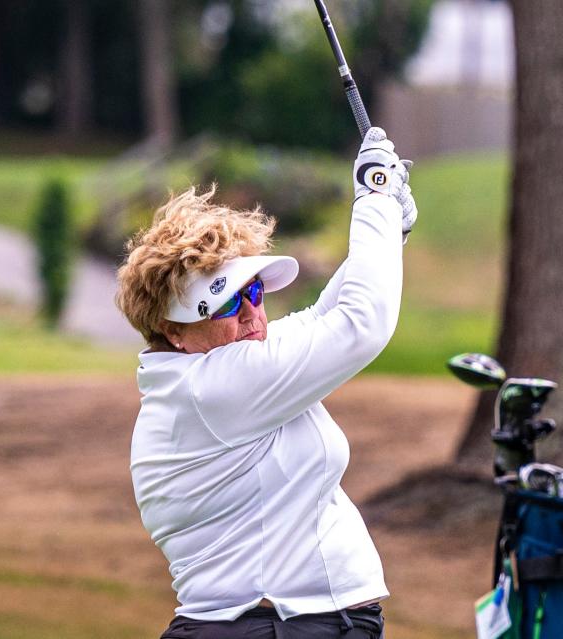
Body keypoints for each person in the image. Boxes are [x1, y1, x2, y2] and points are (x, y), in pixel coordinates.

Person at [115, 127, 417, 639]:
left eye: (255, 290)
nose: (254, 313)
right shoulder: (216, 388)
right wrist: (375, 193)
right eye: (230, 302)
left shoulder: (208, 375)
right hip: (277, 628)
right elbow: (360, 324)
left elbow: (325, 315)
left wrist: (390, 231)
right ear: (173, 330)